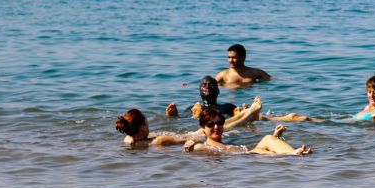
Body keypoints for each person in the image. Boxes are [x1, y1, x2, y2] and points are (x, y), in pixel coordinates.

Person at [183, 107, 312, 155]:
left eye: (219, 123)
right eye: (211, 124)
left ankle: (294, 152)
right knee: (267, 141)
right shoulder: (203, 146)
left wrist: (275, 136)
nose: (216, 127)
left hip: (250, 154)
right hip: (247, 158)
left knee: (268, 139)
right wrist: (188, 149)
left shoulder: (228, 141)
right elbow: (193, 149)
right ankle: (294, 153)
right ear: (203, 128)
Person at [167, 75, 237, 119]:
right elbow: (183, 120)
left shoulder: (228, 107)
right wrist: (174, 116)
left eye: (211, 85)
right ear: (199, 92)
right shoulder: (193, 109)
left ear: (218, 90)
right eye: (204, 85)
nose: (207, 87)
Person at [115, 109, 189, 148]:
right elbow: (188, 140)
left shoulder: (128, 138)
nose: (148, 123)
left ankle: (172, 116)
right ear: (142, 128)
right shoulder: (160, 140)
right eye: (146, 121)